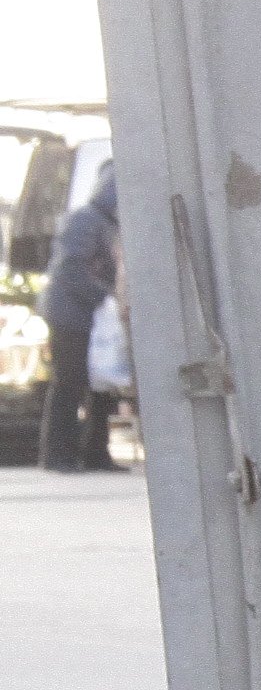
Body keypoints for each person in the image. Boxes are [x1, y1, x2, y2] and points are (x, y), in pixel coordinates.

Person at [40, 169, 117, 472]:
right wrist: (104, 295)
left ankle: (95, 452)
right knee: (70, 383)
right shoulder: (85, 220)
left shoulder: (100, 222)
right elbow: (70, 269)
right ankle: (58, 455)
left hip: (84, 312)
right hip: (70, 314)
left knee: (100, 385)